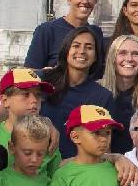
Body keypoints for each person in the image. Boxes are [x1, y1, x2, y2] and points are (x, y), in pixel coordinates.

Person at [39, 26, 117, 160]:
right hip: (37, 165)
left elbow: (103, 146)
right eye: (76, 45)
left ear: (96, 56)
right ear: (66, 50)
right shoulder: (42, 80)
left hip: (74, 171)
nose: (82, 51)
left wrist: (117, 158)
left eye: (89, 47)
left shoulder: (103, 96)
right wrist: (43, 121)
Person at [0, 69, 58, 180]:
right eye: (25, 94)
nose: (34, 100)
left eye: (38, 95)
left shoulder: (48, 138)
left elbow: (55, 180)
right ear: (5, 100)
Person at [26, 0, 104, 72]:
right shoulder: (46, 30)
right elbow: (29, 71)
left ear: (95, 1)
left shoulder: (96, 32)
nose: (85, 1)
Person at [98, 33, 138, 154]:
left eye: (136, 54)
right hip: (102, 164)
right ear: (112, 57)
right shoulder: (95, 92)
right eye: (122, 53)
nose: (129, 59)